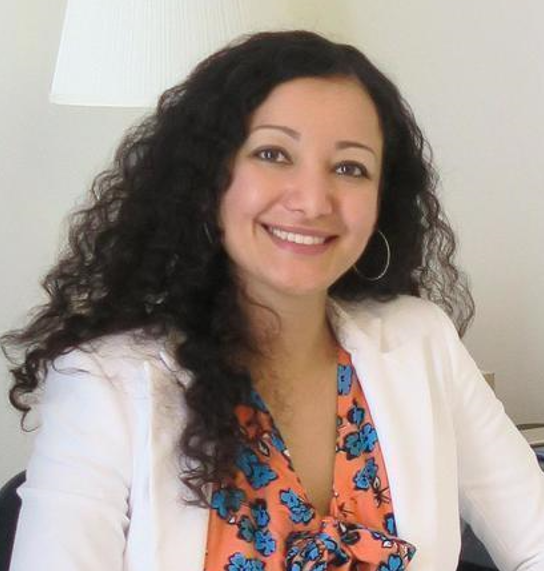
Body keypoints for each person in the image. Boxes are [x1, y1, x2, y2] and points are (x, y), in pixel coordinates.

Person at [2, 29, 543, 571]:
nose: (313, 201)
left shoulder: (422, 339)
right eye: (273, 154)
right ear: (209, 179)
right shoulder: (105, 383)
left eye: (350, 167)